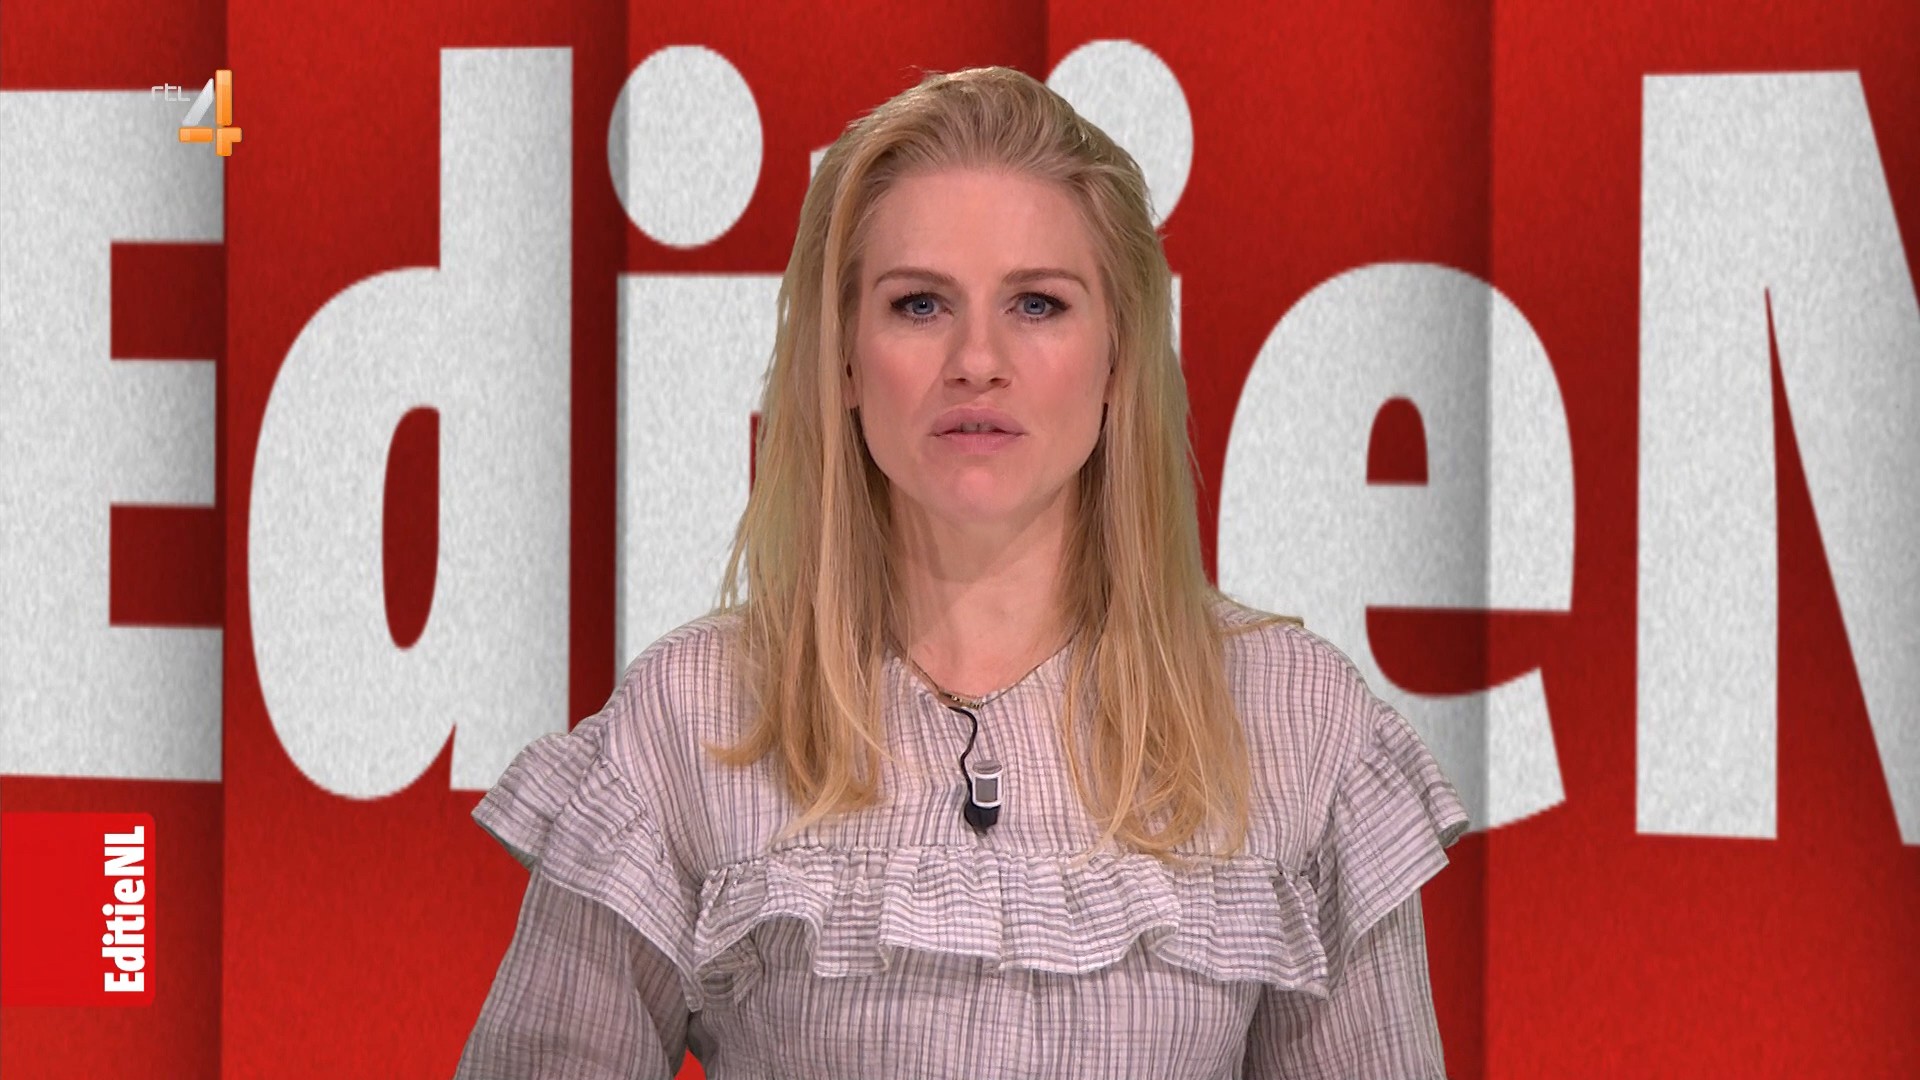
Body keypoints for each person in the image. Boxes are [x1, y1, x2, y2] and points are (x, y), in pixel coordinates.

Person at [452, 65, 1468, 1080]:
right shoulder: (699, 715)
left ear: (1118, 358)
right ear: (844, 360)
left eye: (1037, 303)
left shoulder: (1294, 720)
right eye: (920, 304)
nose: (978, 359)